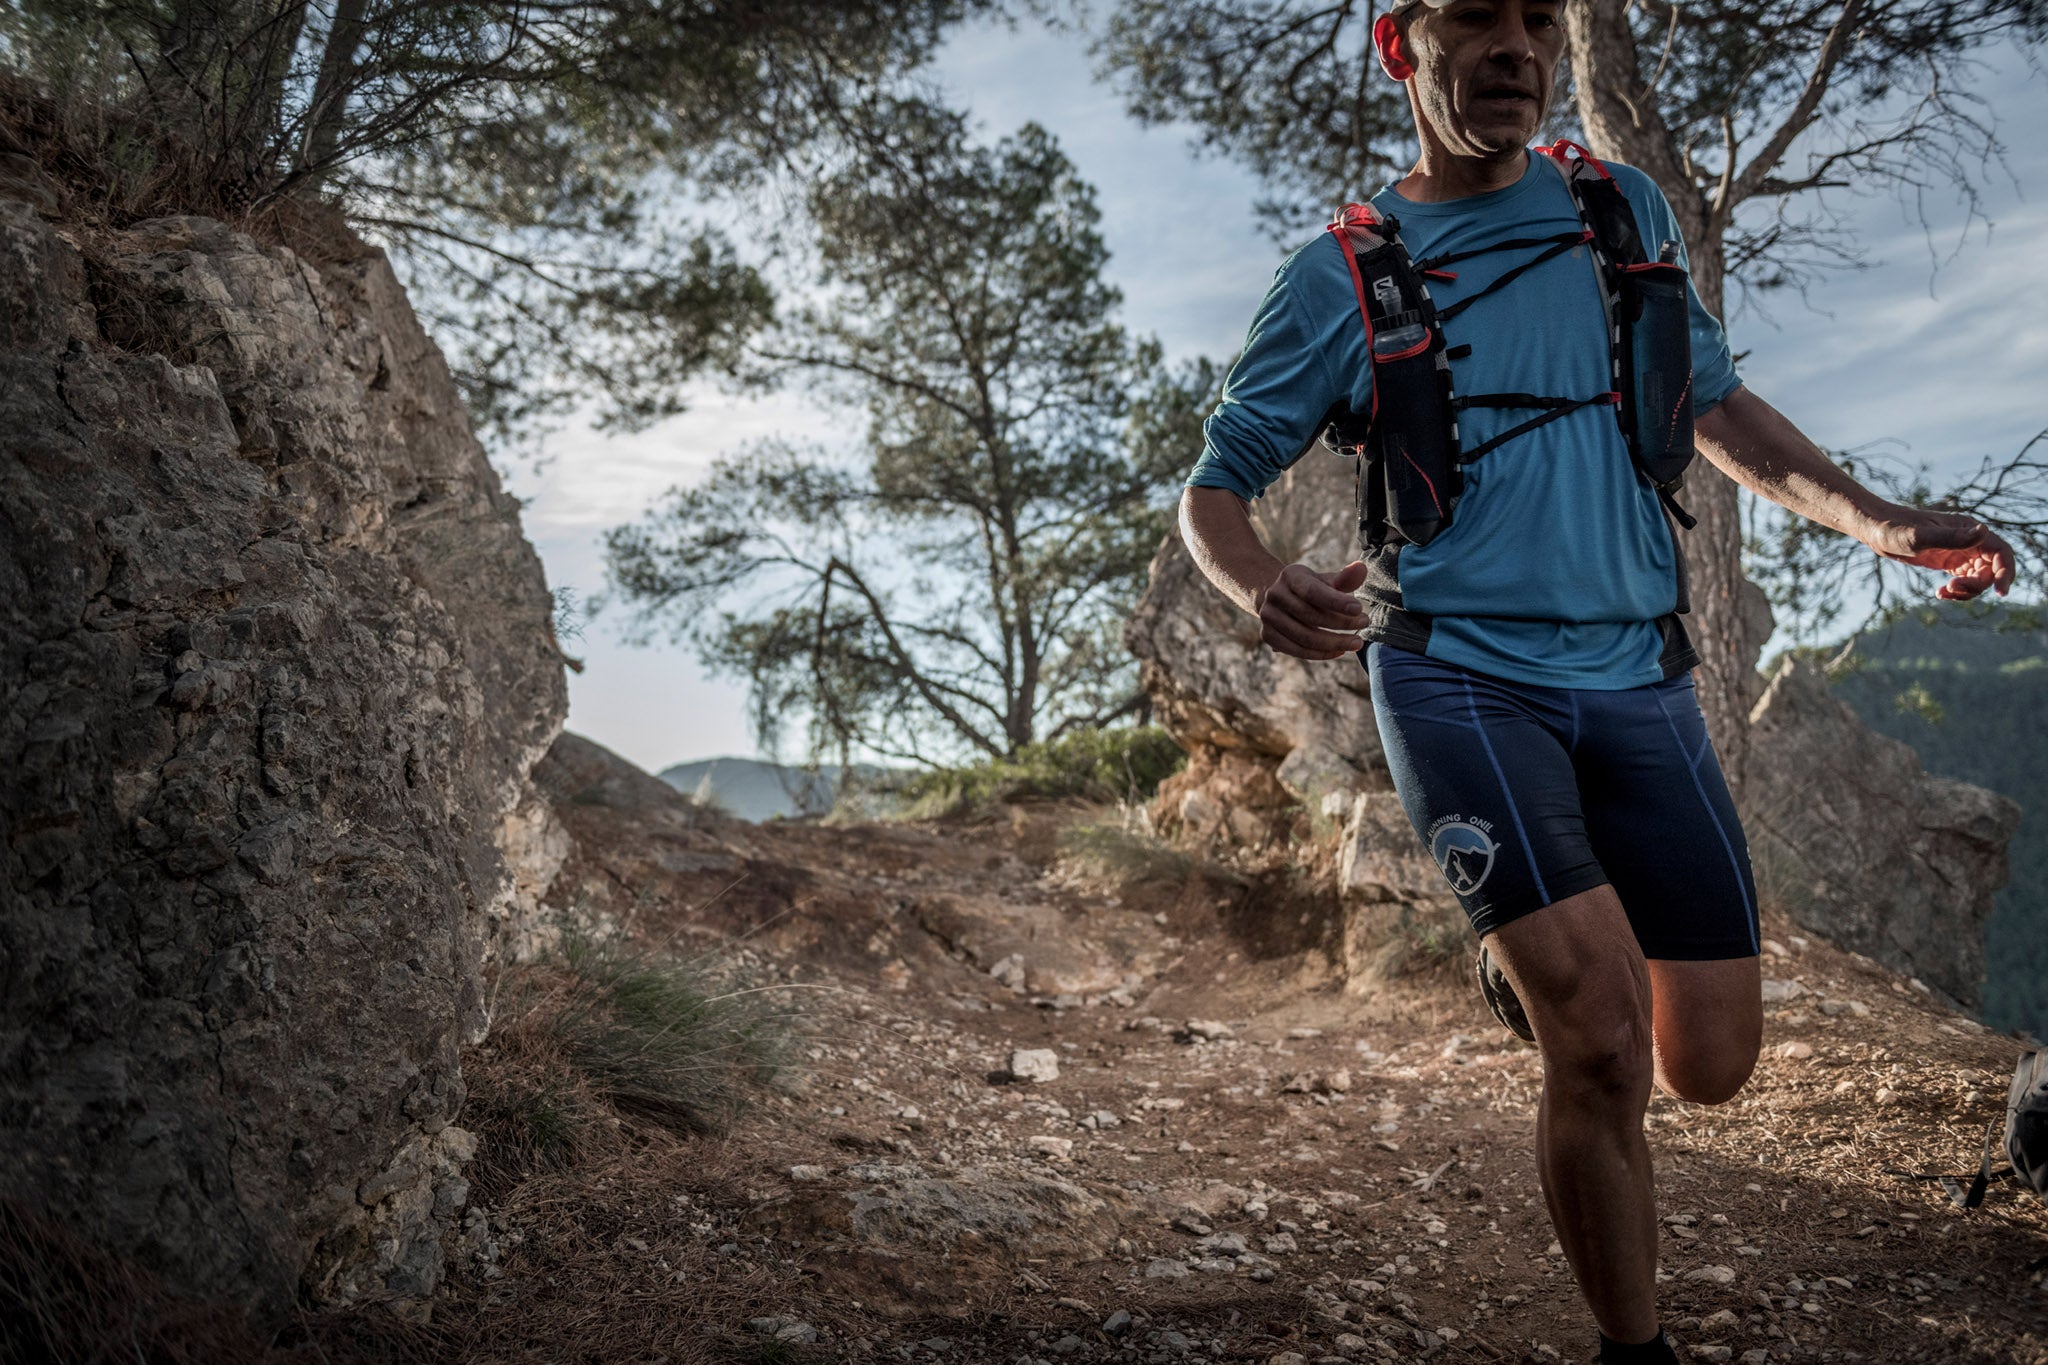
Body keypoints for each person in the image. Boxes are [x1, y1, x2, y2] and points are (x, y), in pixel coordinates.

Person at [1176, 0, 2017, 1360]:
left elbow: (1717, 407)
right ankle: (1634, 1344)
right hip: (1459, 681)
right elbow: (1213, 490)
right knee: (1609, 1043)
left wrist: (1881, 523)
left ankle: (1540, 959)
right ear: (1405, 48)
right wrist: (1257, 578)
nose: (1512, 46)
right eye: (1474, 19)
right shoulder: (1340, 276)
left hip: (1639, 680)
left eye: (1535, 20)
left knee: (1713, 1063)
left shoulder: (1618, 211)